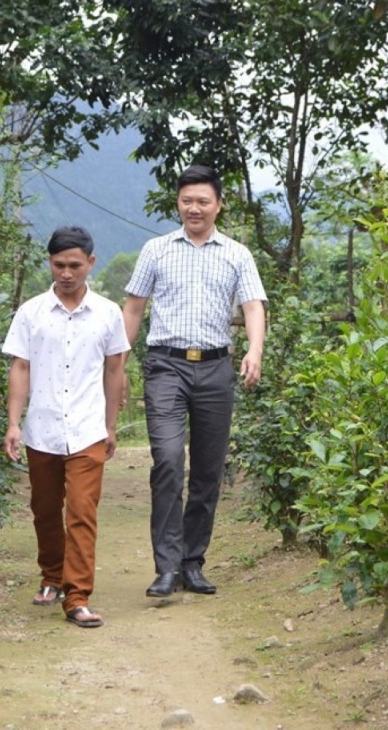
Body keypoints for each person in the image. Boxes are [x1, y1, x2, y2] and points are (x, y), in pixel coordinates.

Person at [122, 164, 267, 598]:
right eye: (187, 200)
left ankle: (192, 561)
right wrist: (118, 359)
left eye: (203, 200)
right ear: (178, 204)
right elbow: (133, 307)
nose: (195, 208)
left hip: (216, 368)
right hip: (166, 365)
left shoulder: (237, 254)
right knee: (168, 460)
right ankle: (166, 566)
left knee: (208, 468)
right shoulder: (156, 250)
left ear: (219, 205)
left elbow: (254, 306)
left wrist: (254, 350)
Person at [2, 226, 130, 628]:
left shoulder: (108, 313)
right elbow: (20, 366)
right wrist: (13, 423)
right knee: (43, 509)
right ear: (50, 263)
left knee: (81, 511)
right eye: (59, 265)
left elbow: (115, 370)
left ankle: (77, 597)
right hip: (42, 429)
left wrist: (111, 425)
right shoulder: (31, 313)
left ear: (91, 263)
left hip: (89, 428)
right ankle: (51, 576)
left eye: (75, 265)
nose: (67, 273)